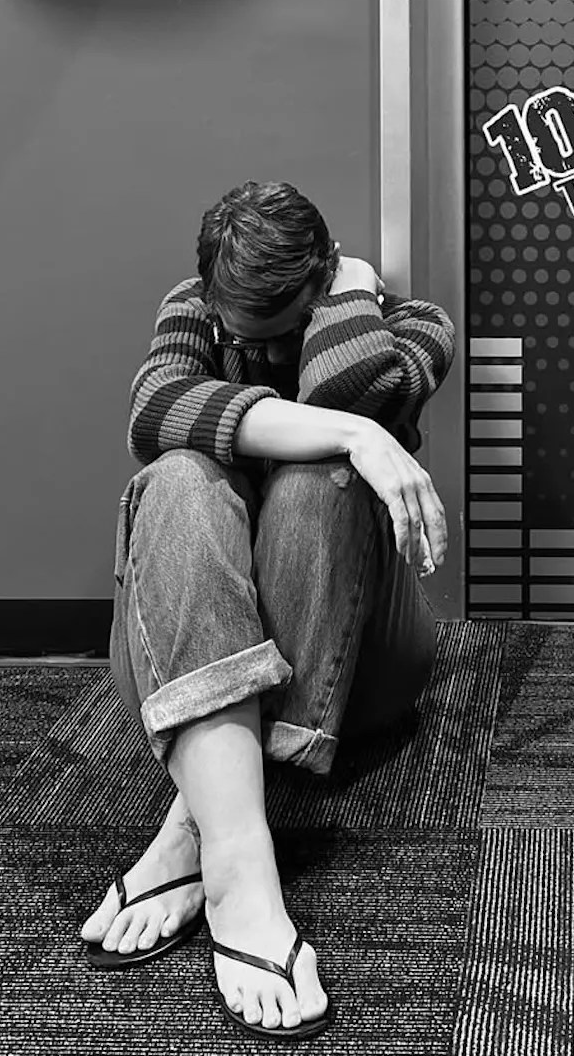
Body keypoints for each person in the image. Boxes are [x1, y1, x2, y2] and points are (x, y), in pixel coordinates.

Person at [77, 180, 454, 1041]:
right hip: (181, 640)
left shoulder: (412, 325)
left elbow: (345, 397)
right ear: (207, 292)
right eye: (236, 324)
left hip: (361, 660)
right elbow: (156, 412)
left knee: (321, 480)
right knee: (175, 475)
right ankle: (240, 869)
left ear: (320, 286)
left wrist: (349, 295)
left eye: (278, 325)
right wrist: (361, 439)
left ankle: (196, 825)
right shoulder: (191, 313)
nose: (251, 341)